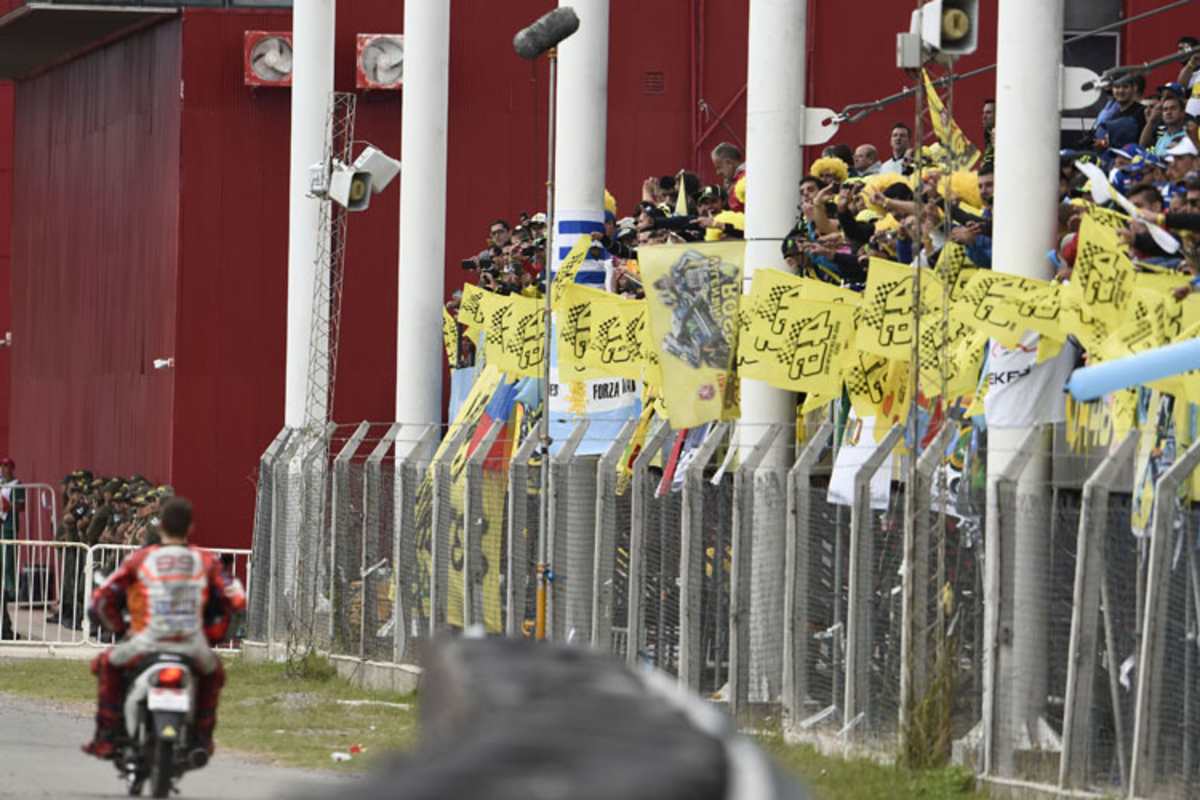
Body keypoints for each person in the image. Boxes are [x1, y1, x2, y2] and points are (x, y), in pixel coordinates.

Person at [83, 497, 245, 760]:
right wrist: (216, 634)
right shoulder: (205, 561)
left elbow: (102, 597)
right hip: (191, 645)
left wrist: (116, 626)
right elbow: (236, 597)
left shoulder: (140, 559)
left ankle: (107, 736)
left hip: (147, 641)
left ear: (160, 528)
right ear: (190, 528)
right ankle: (202, 738)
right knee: (214, 675)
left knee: (106, 664)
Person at [0, 457, 24, 641]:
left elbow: (21, 505)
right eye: (2, 466)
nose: (4, 469)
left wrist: (9, 506)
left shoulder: (17, 485)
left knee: (9, 559)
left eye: (7, 466)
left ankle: (9, 588)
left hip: (9, 526)